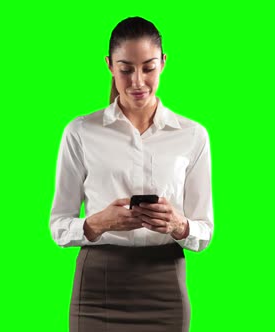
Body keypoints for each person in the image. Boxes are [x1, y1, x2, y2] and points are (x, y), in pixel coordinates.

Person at [50, 16, 214, 332]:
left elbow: (204, 230)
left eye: (148, 68)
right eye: (126, 69)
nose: (137, 81)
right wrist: (95, 223)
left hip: (164, 284)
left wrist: (179, 225)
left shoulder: (193, 136)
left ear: (164, 63)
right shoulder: (81, 131)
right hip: (98, 285)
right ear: (110, 65)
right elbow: (58, 226)